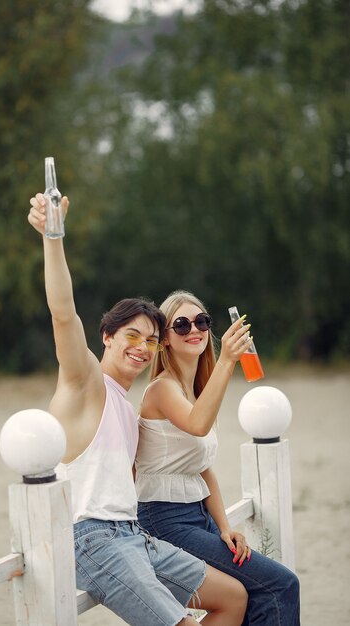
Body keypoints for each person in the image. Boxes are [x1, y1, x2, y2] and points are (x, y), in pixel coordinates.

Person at [28, 194, 248, 626]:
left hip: (134, 533)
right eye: (132, 335)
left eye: (151, 340)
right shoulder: (85, 381)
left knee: (233, 597)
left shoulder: (131, 408)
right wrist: (53, 238)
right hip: (92, 538)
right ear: (107, 336)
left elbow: (184, 457)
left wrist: (219, 523)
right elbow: (62, 314)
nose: (142, 348)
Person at [135, 290, 301, 625]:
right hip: (163, 520)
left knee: (260, 587)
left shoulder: (198, 389)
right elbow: (197, 426)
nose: (193, 329)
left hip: (197, 516)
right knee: (281, 584)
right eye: (181, 324)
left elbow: (202, 468)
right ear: (164, 340)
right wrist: (227, 361)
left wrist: (225, 526)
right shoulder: (161, 389)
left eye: (201, 321)